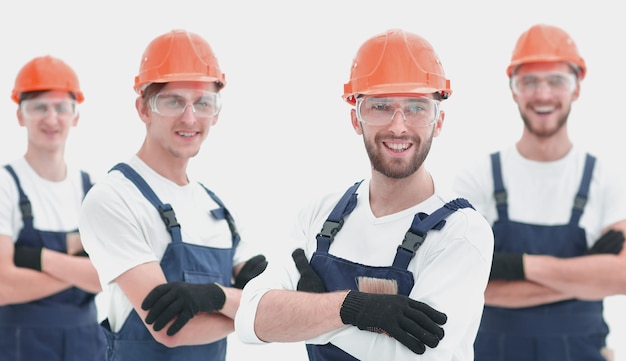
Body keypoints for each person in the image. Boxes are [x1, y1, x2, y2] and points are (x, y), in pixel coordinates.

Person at [234, 29, 494, 360]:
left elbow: (413, 356)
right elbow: (250, 318)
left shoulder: (462, 232)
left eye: (416, 108)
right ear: (356, 118)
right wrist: (352, 308)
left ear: (438, 121)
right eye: (380, 106)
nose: (398, 126)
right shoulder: (320, 214)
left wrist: (308, 313)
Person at [78, 29, 267, 360]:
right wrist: (254, 312)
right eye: (173, 101)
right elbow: (170, 329)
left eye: (203, 103)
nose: (190, 118)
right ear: (143, 109)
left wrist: (228, 300)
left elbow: (271, 290)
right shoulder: (113, 199)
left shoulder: (216, 208)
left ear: (216, 112)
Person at [452, 23, 626, 361]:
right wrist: (584, 274)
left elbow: (621, 277)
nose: (543, 94)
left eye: (556, 81)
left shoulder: (605, 179)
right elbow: (464, 283)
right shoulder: (477, 179)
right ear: (513, 90)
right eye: (529, 81)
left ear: (576, 88)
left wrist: (514, 266)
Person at [0, 55, 106, 360]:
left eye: (61, 107)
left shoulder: (91, 189)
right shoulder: (6, 184)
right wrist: (83, 270)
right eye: (39, 108)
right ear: (20, 115)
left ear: (75, 115)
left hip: (87, 344)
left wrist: (38, 258)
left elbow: (110, 279)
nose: (51, 118)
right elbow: (4, 286)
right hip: (20, 346)